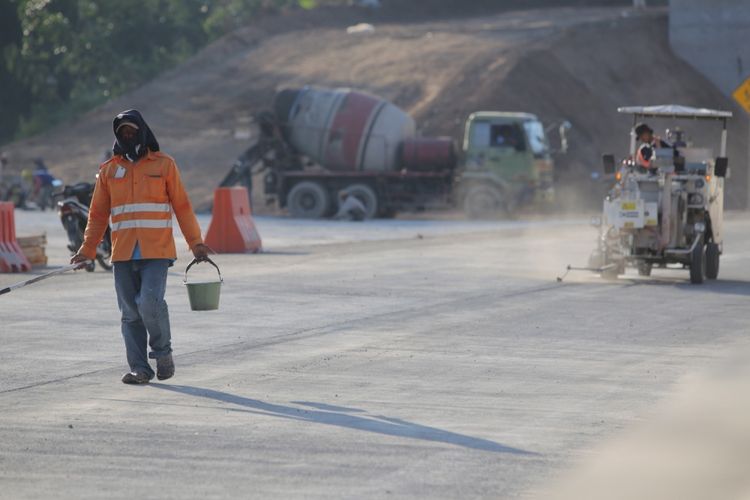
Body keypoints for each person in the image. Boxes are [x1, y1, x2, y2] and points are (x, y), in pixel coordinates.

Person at [71, 110, 210, 385]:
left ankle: (163, 353)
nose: (127, 135)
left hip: (157, 251)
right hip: (122, 252)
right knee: (130, 313)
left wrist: (196, 243)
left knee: (149, 302)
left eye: (132, 130)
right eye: (122, 132)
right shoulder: (108, 170)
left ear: (142, 131)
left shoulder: (164, 165)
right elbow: (98, 215)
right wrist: (87, 250)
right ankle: (140, 369)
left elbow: (182, 206)